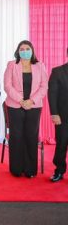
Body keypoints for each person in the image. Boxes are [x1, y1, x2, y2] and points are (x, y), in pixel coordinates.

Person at [4, 40, 48, 178]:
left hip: (34, 106)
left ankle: (30, 169)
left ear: (32, 50)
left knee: (31, 135)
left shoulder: (40, 65)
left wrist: (31, 101)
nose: (24, 51)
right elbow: (7, 85)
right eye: (21, 49)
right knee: (16, 136)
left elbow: (44, 86)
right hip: (15, 105)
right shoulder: (12, 65)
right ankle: (16, 169)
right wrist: (21, 100)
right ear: (18, 51)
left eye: (27, 48)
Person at [48, 48, 68, 182]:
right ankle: (59, 171)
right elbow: (52, 94)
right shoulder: (57, 71)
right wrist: (54, 114)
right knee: (61, 144)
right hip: (62, 117)